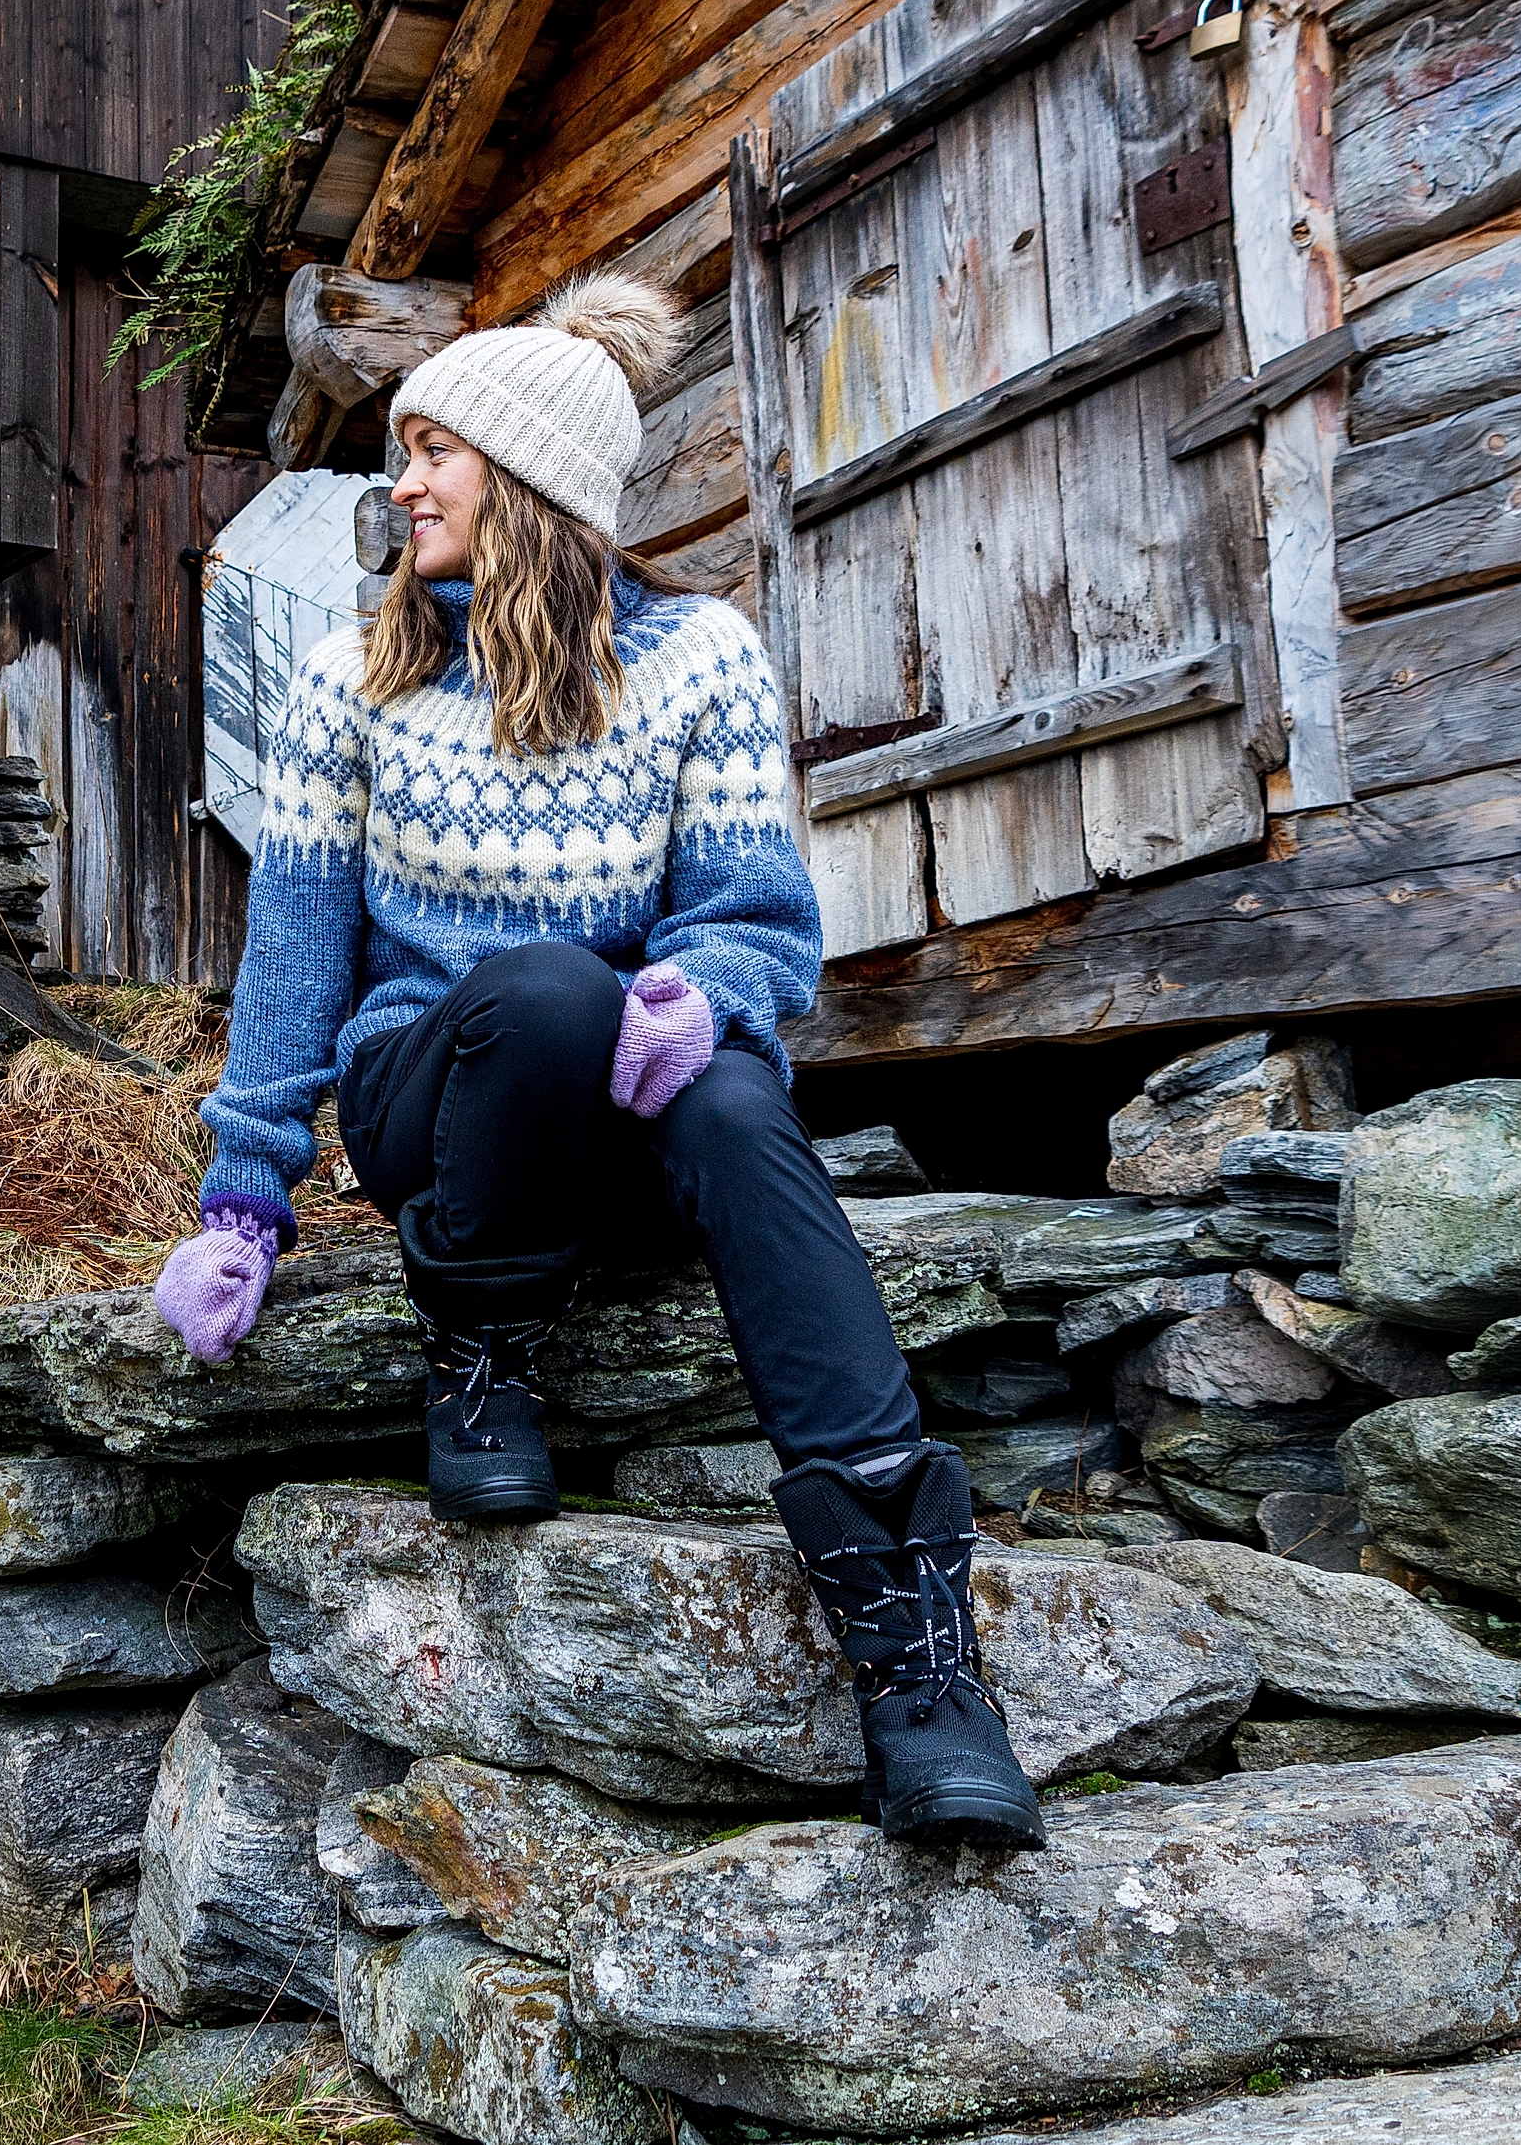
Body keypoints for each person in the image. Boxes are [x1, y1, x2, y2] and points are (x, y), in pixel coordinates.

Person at [149, 275, 1043, 1852]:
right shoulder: (351, 685)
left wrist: (694, 1004)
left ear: (536, 483)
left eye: (435, 452)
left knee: (744, 1095)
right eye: (400, 452)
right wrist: (244, 1201)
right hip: (436, 1102)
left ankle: (917, 1655)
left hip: (620, 1109)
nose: (401, 482)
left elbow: (757, 923)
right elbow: (293, 964)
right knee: (556, 988)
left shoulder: (699, 658)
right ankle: (479, 1344)